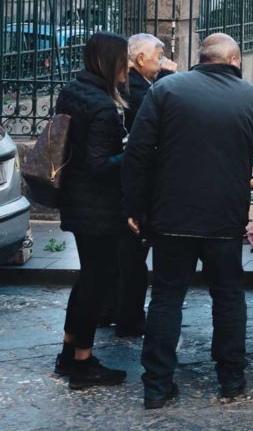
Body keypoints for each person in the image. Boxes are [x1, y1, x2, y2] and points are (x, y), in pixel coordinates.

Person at [122, 33, 253, 409]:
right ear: (235, 59)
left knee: (167, 299)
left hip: (169, 216)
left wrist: (135, 208)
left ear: (201, 58)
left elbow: (137, 152)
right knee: (228, 297)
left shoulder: (166, 90)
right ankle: (231, 380)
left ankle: (156, 386)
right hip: (224, 218)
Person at [52, 32, 131, 390]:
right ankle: (83, 362)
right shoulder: (101, 106)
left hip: (76, 198)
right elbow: (100, 163)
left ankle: (69, 353)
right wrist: (133, 150)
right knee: (97, 281)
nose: (127, 65)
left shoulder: (73, 90)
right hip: (97, 205)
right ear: (110, 61)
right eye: (124, 58)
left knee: (88, 277)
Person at [100, 34, 178, 338]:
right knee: (131, 255)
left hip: (120, 181)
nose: (161, 62)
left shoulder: (131, 85)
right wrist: (170, 78)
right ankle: (129, 317)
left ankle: (110, 310)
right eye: (158, 57)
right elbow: (156, 119)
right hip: (133, 182)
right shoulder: (138, 88)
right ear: (140, 59)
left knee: (119, 254)